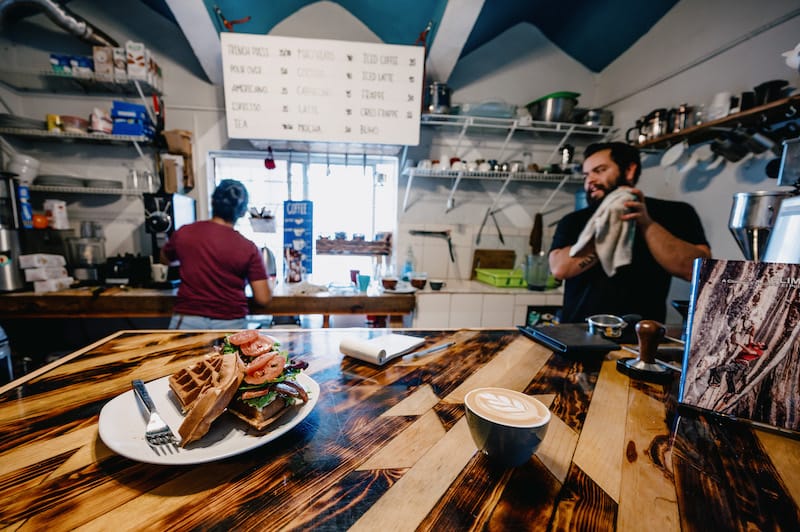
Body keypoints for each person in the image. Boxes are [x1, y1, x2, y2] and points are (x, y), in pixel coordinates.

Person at [549, 142, 711, 323]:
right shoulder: (574, 220)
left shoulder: (675, 213)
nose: (590, 180)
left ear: (629, 170)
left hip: (643, 337)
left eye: (600, 170)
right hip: (578, 335)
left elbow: (696, 271)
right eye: (587, 174)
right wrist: (608, 229)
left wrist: (646, 224)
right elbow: (559, 269)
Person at [161, 179, 271, 329]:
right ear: (242, 211)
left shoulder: (184, 233)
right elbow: (263, 298)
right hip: (231, 323)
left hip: (189, 321)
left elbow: (165, 259)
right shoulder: (248, 248)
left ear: (212, 202)